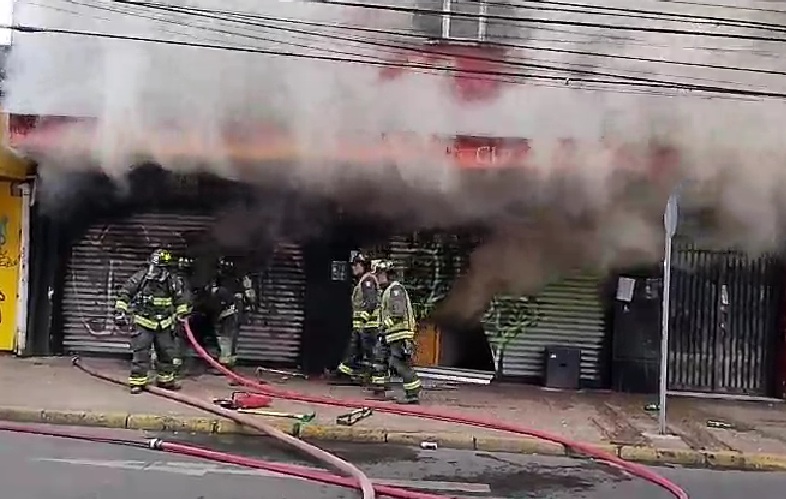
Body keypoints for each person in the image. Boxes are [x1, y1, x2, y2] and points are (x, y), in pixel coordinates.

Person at [114, 248, 192, 393]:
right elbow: (125, 293)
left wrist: (182, 312)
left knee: (166, 353)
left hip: (164, 324)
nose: (153, 270)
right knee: (141, 352)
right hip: (143, 322)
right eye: (152, 266)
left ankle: (166, 380)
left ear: (165, 269)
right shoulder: (140, 278)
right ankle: (138, 382)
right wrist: (121, 311)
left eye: (157, 268)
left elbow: (181, 299)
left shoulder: (173, 282)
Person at [369, 259, 421, 404]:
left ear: (387, 274)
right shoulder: (387, 290)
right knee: (381, 360)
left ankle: (412, 395)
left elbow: (397, 313)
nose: (377, 279)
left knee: (400, 364)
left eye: (379, 275)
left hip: (400, 335)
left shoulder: (396, 290)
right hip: (390, 335)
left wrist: (383, 326)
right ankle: (380, 390)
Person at [333, 252, 379, 385]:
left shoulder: (368, 281)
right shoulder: (362, 281)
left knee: (371, 354)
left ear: (362, 265)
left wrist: (363, 321)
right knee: (353, 351)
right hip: (361, 327)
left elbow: (371, 303)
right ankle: (344, 374)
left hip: (368, 327)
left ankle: (376, 381)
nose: (353, 268)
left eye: (355, 265)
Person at [208, 257, 257, 369]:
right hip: (234, 310)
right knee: (231, 337)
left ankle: (225, 364)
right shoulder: (240, 278)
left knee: (225, 337)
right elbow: (250, 295)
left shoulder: (225, 280)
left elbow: (249, 295)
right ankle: (229, 362)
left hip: (229, 311)